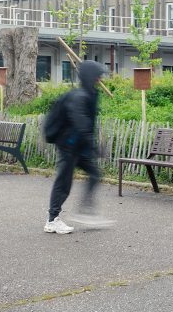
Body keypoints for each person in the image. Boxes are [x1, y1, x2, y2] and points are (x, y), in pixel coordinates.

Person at [45, 61, 114, 234]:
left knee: (95, 174)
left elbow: (86, 125)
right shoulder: (79, 97)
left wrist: (90, 146)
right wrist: (95, 147)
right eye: (97, 76)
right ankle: (52, 220)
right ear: (90, 76)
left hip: (78, 146)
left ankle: (87, 211)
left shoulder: (88, 93)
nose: (100, 79)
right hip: (69, 146)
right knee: (63, 183)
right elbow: (82, 124)